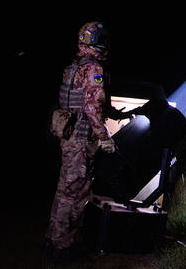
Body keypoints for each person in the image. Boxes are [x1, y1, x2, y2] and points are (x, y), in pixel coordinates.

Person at [45, 21, 127, 257]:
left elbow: (81, 101)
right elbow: (92, 107)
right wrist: (104, 138)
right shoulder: (94, 69)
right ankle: (64, 246)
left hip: (70, 138)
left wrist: (118, 114)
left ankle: (54, 239)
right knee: (77, 193)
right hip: (81, 140)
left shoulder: (76, 65)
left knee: (65, 190)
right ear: (100, 41)